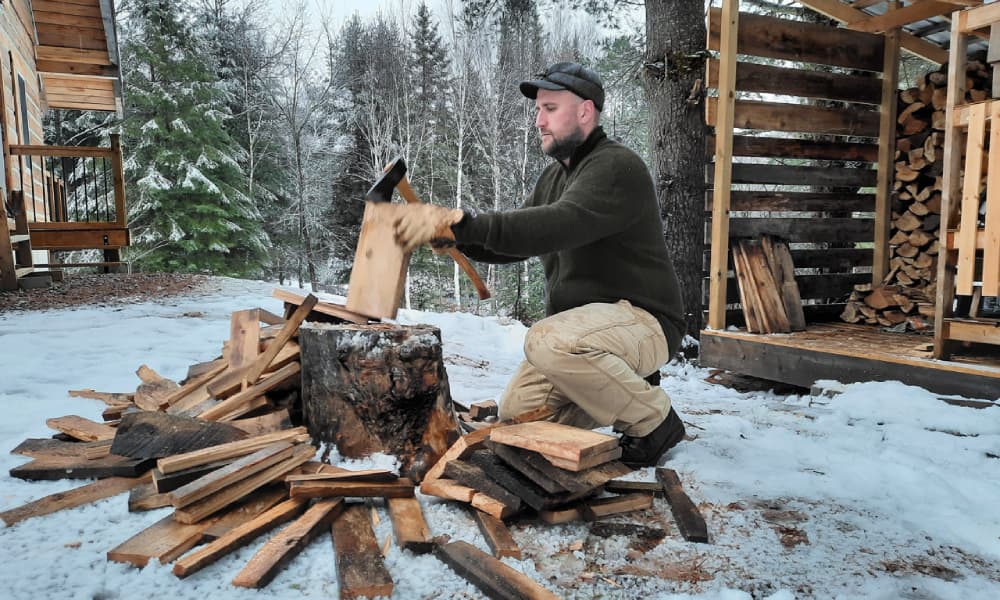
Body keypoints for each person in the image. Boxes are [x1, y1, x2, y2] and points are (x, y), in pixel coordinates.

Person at [393, 61, 686, 467]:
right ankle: (630, 388)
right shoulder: (553, 179)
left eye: (549, 109)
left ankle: (655, 421)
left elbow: (558, 225)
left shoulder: (616, 167)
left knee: (545, 340)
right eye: (537, 111)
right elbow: (518, 244)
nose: (538, 122)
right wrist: (458, 239)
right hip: (590, 332)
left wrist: (464, 223)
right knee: (520, 412)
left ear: (585, 111)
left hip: (642, 321)